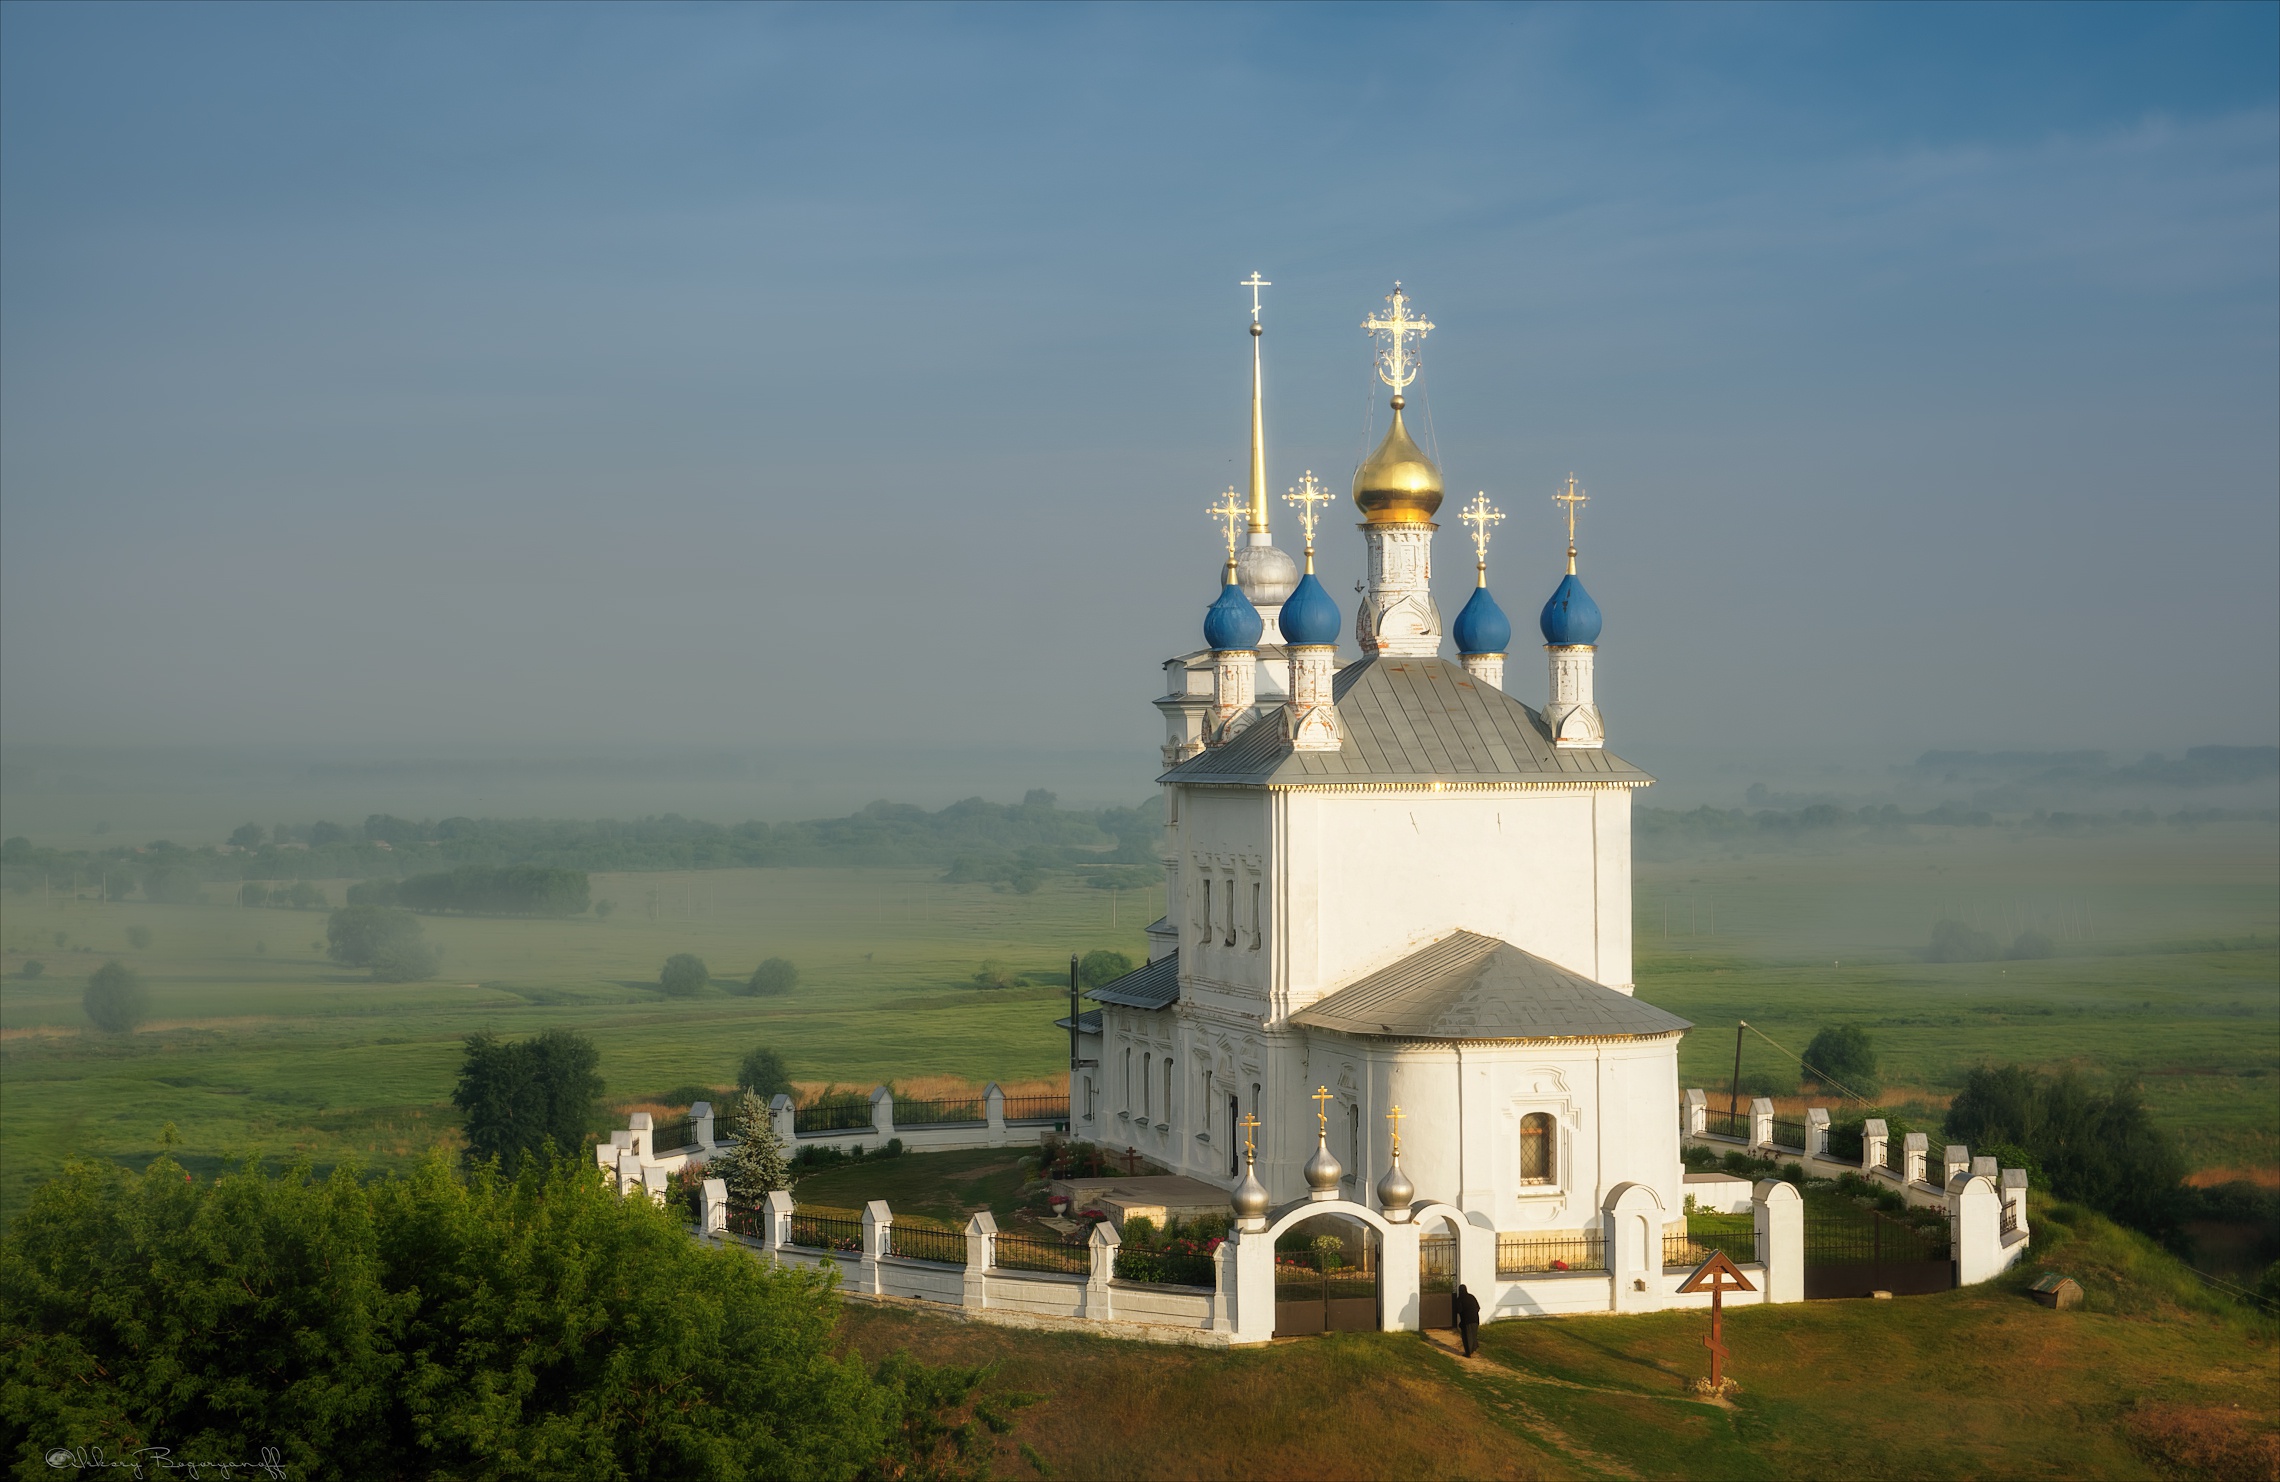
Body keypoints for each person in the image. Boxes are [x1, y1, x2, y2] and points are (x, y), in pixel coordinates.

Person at [1453, 1282, 1482, 1357]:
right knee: (1473, 1335)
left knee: (1467, 1336)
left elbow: (1459, 1310)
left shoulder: (1460, 1299)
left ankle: (1468, 1353)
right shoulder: (1471, 1296)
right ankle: (1474, 1349)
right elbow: (1478, 1307)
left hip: (1467, 1321)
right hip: (1475, 1319)